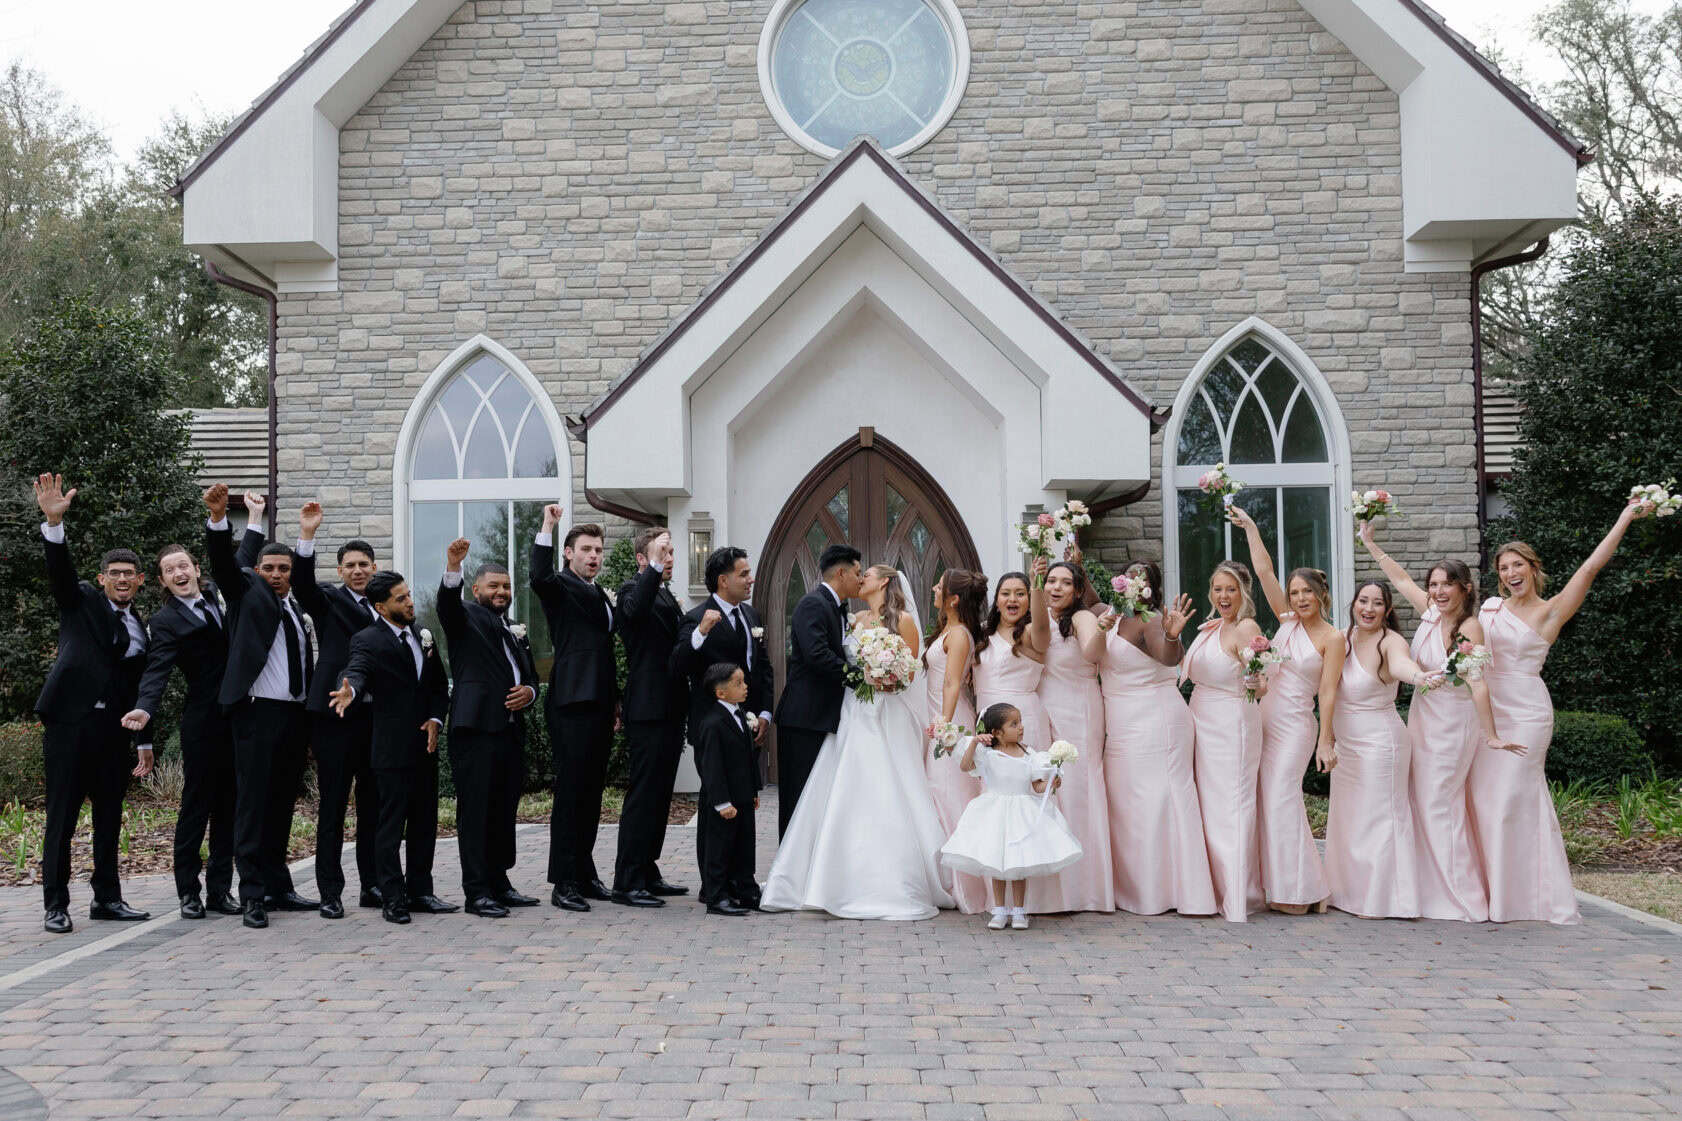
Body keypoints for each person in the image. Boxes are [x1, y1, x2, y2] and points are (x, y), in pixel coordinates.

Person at [1471, 499, 1651, 924]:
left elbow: (1589, 569)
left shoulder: (1551, 610)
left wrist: (1624, 516)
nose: (1511, 574)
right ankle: (1492, 891)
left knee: (1515, 799)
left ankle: (1531, 897)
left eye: (1518, 565)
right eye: (1504, 568)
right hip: (1486, 712)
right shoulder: (1489, 609)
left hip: (1528, 712)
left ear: (1534, 568)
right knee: (1486, 799)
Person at [760, 565, 955, 920]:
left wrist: (885, 677)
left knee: (883, 787)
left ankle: (889, 879)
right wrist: (865, 675)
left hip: (885, 713)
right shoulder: (855, 618)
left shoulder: (905, 622)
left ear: (884, 581)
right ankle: (827, 879)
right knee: (843, 787)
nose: (860, 577)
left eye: (867, 573)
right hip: (852, 712)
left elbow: (910, 674)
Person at [1360, 524, 1516, 922]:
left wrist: (1491, 735)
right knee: (1420, 802)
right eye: (1434, 584)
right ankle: (1429, 891)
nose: (1439, 591)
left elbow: (1478, 684)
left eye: (1448, 585)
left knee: (1439, 804)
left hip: (1453, 722)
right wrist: (1371, 543)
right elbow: (1398, 577)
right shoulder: (1430, 616)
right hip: (1422, 718)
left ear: (1465, 588)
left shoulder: (1470, 628)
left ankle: (1462, 897)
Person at [32, 474, 152, 935]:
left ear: (140, 581)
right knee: (61, 816)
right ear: (103, 579)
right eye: (114, 574)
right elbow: (60, 575)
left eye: (129, 575)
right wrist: (54, 524)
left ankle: (107, 898)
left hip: (115, 731)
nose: (122, 581)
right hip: (71, 723)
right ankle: (55, 905)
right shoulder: (80, 601)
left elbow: (141, 683)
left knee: (109, 815)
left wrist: (142, 739)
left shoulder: (142, 624)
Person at [204, 484, 318, 928]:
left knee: (281, 803)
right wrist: (226, 521)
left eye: (283, 568)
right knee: (251, 805)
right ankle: (251, 894)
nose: (276, 574)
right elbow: (224, 568)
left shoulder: (296, 607)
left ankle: (278, 886)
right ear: (257, 569)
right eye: (268, 567)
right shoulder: (246, 596)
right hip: (256, 714)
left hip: (293, 716)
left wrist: (307, 535)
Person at [1228, 506, 1338, 915]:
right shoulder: (1286, 623)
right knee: (1264, 798)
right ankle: (1288, 887)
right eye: (1295, 593)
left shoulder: (1333, 637)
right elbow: (1264, 574)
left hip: (1296, 725)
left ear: (1321, 595)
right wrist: (1252, 529)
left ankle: (1302, 892)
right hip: (1265, 716)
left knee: (1280, 797)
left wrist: (1326, 742)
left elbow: (1327, 693)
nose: (1300, 598)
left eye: (1307, 592)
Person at [123, 541, 239, 920]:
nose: (179, 573)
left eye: (184, 565)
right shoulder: (165, 621)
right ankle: (188, 891)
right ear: (163, 581)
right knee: (197, 806)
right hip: (202, 722)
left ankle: (221, 890)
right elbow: (157, 670)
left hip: (236, 720)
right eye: (170, 570)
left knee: (229, 807)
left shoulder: (216, 599)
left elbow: (238, 559)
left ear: (196, 569)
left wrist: (254, 517)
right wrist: (144, 708)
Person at [328, 571, 450, 924]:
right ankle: (393, 898)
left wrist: (436, 720)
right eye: (401, 599)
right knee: (390, 827)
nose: (410, 602)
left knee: (425, 822)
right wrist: (349, 690)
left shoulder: (423, 634)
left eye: (409, 595)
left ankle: (421, 892)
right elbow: (357, 670)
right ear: (381, 607)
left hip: (425, 746)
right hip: (391, 750)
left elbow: (438, 686)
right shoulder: (367, 639)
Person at [1095, 563, 1216, 917]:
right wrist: (1074, 555)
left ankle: (1172, 890)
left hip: (1156, 720)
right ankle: (1137, 888)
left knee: (1158, 798)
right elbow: (1087, 594)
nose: (1135, 580)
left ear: (1152, 587)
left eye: (1142, 577)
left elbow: (1168, 659)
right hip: (1122, 722)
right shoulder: (1112, 616)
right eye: (1129, 574)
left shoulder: (1151, 621)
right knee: (1128, 801)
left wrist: (1173, 635)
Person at [289, 502, 389, 919]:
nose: (358, 570)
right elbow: (305, 585)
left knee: (373, 805)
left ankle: (373, 885)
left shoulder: (386, 608)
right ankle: (330, 890)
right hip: (334, 717)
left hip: (375, 718)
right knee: (332, 805)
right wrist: (307, 537)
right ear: (341, 570)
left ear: (374, 566)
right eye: (350, 565)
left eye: (364, 564)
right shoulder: (327, 600)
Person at [437, 537, 540, 918]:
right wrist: (453, 567)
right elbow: (447, 605)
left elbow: (528, 678)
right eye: (494, 586)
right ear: (476, 589)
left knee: (502, 810)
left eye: (507, 586)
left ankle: (500, 882)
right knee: (477, 812)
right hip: (475, 731)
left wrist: (530, 692)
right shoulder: (464, 617)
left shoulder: (515, 629)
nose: (502, 592)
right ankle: (476, 892)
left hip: (510, 733)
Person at [1326, 581, 1436, 919]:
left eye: (1377, 603)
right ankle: (1349, 894)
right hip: (1347, 746)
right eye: (1363, 601)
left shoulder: (1391, 641)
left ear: (1387, 609)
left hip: (1380, 745)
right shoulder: (1341, 638)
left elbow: (1402, 664)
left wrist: (1418, 676)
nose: (1368, 609)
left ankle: (1387, 900)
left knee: (1381, 819)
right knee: (1351, 820)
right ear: (1354, 603)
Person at [530, 505, 618, 912]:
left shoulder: (600, 592)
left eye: (598, 549)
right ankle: (563, 881)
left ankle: (584, 872)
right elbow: (538, 576)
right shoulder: (560, 586)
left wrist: (614, 702)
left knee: (591, 794)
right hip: (571, 702)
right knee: (571, 794)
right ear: (569, 553)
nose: (594, 556)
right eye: (586, 549)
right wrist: (548, 525)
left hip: (599, 703)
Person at [939, 702, 1083, 931]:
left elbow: (1036, 785)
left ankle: (1018, 911)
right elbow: (966, 767)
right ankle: (999, 910)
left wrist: (1050, 783)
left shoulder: (1030, 755)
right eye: (1014, 724)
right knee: (997, 864)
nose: (1021, 727)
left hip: (1021, 813)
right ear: (996, 732)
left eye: (1020, 722)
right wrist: (975, 741)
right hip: (994, 811)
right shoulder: (987, 754)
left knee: (1018, 864)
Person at [1183, 560, 1267, 923]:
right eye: (1217, 589)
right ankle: (1213, 889)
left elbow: (1262, 680)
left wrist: (1256, 683)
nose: (1222, 596)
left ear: (1244, 592)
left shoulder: (1247, 627)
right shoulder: (1211, 627)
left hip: (1234, 723)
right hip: (1202, 719)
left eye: (1230, 589)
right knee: (1208, 805)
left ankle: (1236, 894)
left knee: (1232, 805)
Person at [612, 527, 691, 907]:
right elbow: (634, 613)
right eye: (663, 550)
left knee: (661, 795)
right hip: (647, 708)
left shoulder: (664, 593)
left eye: (671, 551)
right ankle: (627, 880)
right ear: (643, 559)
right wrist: (654, 569)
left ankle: (647, 868)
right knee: (644, 794)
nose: (670, 557)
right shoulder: (632, 590)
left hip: (671, 707)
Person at [1035, 560, 1114, 913]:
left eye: (1065, 583)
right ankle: (1051, 884)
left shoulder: (1082, 618)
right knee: (1050, 789)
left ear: (1078, 590)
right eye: (1051, 581)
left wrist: (1101, 630)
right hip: (1045, 706)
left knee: (1079, 789)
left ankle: (1085, 887)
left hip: (1079, 708)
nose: (1055, 588)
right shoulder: (1039, 617)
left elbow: (1093, 654)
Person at [772, 543, 862, 836]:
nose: (860, 580)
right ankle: (788, 872)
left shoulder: (839, 608)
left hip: (823, 717)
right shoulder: (814, 604)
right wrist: (860, 677)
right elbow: (817, 655)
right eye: (857, 573)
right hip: (804, 718)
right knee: (798, 797)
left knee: (816, 799)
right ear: (841, 572)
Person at [922, 569, 988, 914]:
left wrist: (944, 727)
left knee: (950, 796)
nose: (934, 588)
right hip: (938, 719)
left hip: (950, 723)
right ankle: (943, 878)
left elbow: (952, 683)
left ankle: (961, 884)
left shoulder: (959, 634)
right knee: (941, 796)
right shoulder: (947, 629)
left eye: (940, 585)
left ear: (954, 598)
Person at [693, 664, 762, 916]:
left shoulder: (739, 714)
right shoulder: (713, 723)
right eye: (738, 683)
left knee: (745, 845)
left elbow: (748, 756)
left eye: (744, 682)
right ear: (721, 693)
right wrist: (721, 802)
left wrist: (754, 790)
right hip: (724, 800)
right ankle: (717, 896)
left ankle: (746, 890)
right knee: (720, 848)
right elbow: (710, 766)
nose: (745, 687)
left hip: (743, 795)